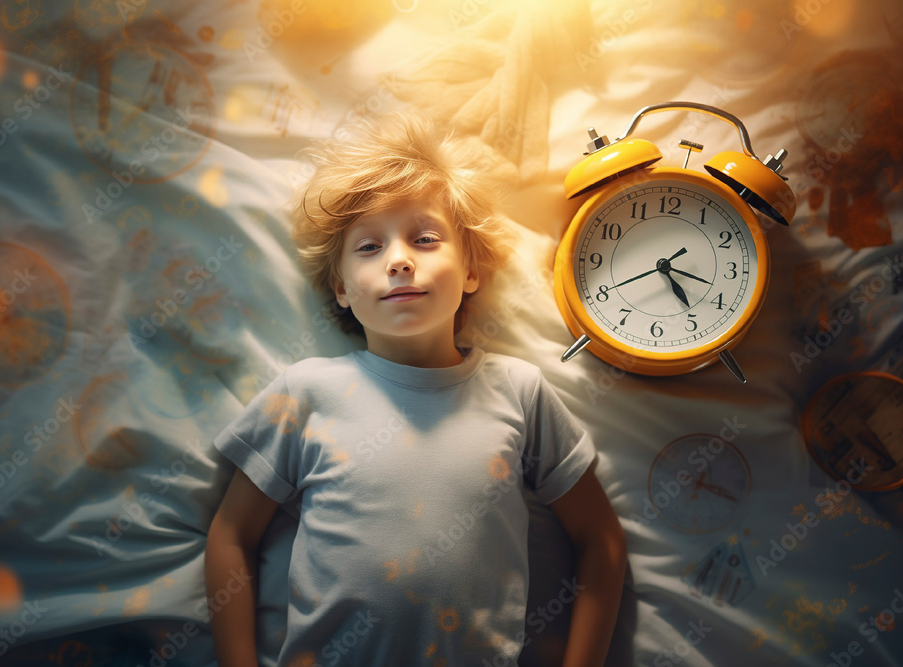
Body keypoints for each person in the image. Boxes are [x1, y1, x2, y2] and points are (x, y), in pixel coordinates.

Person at [204, 110, 627, 667]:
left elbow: (602, 544)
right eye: (369, 248)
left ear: (471, 270)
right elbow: (231, 536)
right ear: (341, 289)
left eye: (425, 239)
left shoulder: (520, 392)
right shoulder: (305, 392)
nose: (400, 260)